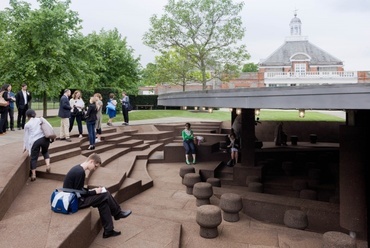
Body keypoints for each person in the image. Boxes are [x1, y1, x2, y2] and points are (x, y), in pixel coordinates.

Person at [63, 153, 132, 239]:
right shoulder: (80, 172)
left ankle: (108, 231)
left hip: (72, 198)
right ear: (91, 161)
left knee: (102, 201)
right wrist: (94, 192)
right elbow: (79, 193)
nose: (94, 169)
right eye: (95, 166)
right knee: (105, 194)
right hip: (74, 202)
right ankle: (117, 213)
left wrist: (93, 191)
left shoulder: (78, 168)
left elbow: (78, 190)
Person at [23, 109, 51, 181]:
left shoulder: (27, 124)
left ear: (27, 116)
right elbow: (49, 126)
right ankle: (48, 165)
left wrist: (25, 147)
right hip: (44, 139)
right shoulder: (40, 119)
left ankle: (33, 174)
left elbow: (26, 137)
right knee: (45, 151)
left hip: (35, 141)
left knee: (34, 158)